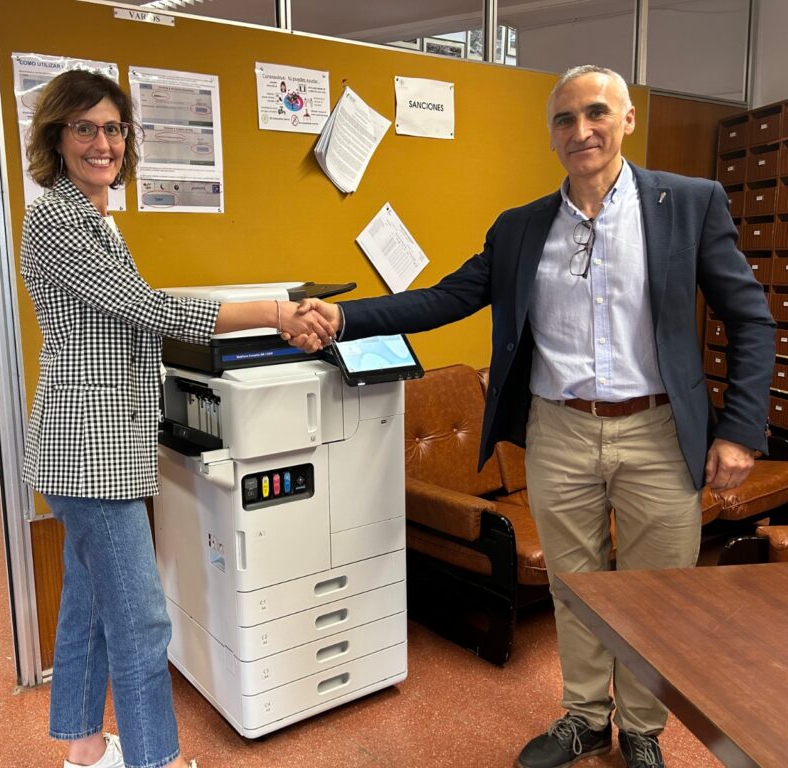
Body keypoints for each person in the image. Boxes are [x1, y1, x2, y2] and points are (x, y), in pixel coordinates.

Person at [288, 65, 774, 768]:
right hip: (558, 431)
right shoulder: (520, 229)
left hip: (658, 431)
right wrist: (343, 317)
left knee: (653, 592)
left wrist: (739, 430)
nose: (582, 131)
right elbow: (446, 298)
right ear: (552, 134)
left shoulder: (688, 204)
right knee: (577, 586)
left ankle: (642, 730)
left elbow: (751, 320)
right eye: (565, 119)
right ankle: (583, 718)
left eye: (597, 114)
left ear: (627, 120)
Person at [20, 69, 333, 768]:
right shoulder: (60, 217)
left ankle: (82, 748)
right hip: (89, 449)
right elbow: (151, 312)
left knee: (91, 604)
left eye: (113, 128)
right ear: (57, 136)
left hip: (100, 445)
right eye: (85, 128)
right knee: (140, 620)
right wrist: (275, 312)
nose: (102, 142)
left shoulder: (92, 213)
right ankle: (155, 761)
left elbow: (130, 312)